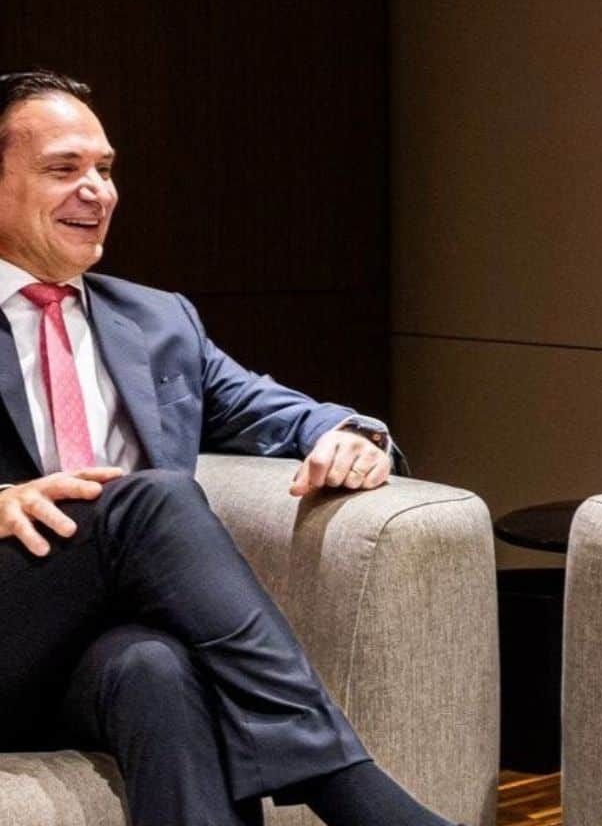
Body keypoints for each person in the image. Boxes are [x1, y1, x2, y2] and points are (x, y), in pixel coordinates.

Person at [0, 70, 457, 826]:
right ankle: (347, 788)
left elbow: (275, 409)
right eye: (63, 169)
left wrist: (353, 435)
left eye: (104, 169)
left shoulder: (158, 321)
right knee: (153, 498)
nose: (97, 191)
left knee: (156, 670)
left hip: (95, 652)